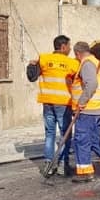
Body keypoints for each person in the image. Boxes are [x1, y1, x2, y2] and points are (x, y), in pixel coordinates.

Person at [28, 35, 78, 176]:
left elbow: (32, 76)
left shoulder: (43, 59)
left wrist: (32, 65)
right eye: (69, 46)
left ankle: (48, 165)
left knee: (49, 134)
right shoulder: (72, 63)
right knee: (65, 135)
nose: (70, 49)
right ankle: (62, 165)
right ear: (63, 47)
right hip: (63, 104)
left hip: (47, 103)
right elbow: (79, 80)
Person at [70, 41, 100, 182]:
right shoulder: (99, 65)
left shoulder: (87, 64)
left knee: (81, 140)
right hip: (98, 109)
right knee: (93, 139)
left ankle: (85, 172)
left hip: (87, 110)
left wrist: (82, 102)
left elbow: (92, 84)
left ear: (77, 53)